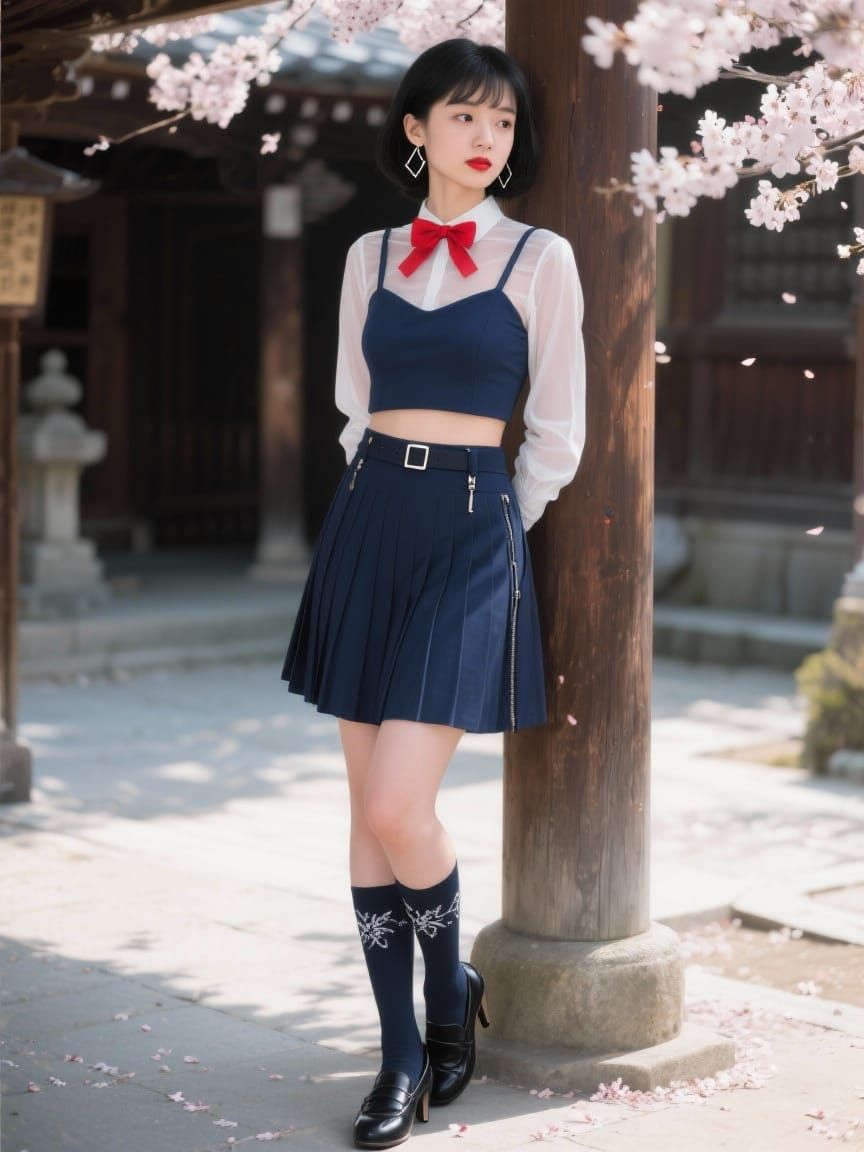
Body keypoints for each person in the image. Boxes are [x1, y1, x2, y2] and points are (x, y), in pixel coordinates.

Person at [282, 36, 586, 1150]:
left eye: (501, 123)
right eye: (464, 117)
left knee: (398, 805)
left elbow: (557, 431)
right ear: (416, 131)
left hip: (472, 527)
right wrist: (382, 491)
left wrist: (498, 522)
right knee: (364, 810)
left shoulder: (539, 258)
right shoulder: (369, 253)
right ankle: (402, 1051)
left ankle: (452, 993)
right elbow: (352, 403)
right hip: (371, 517)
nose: (486, 139)